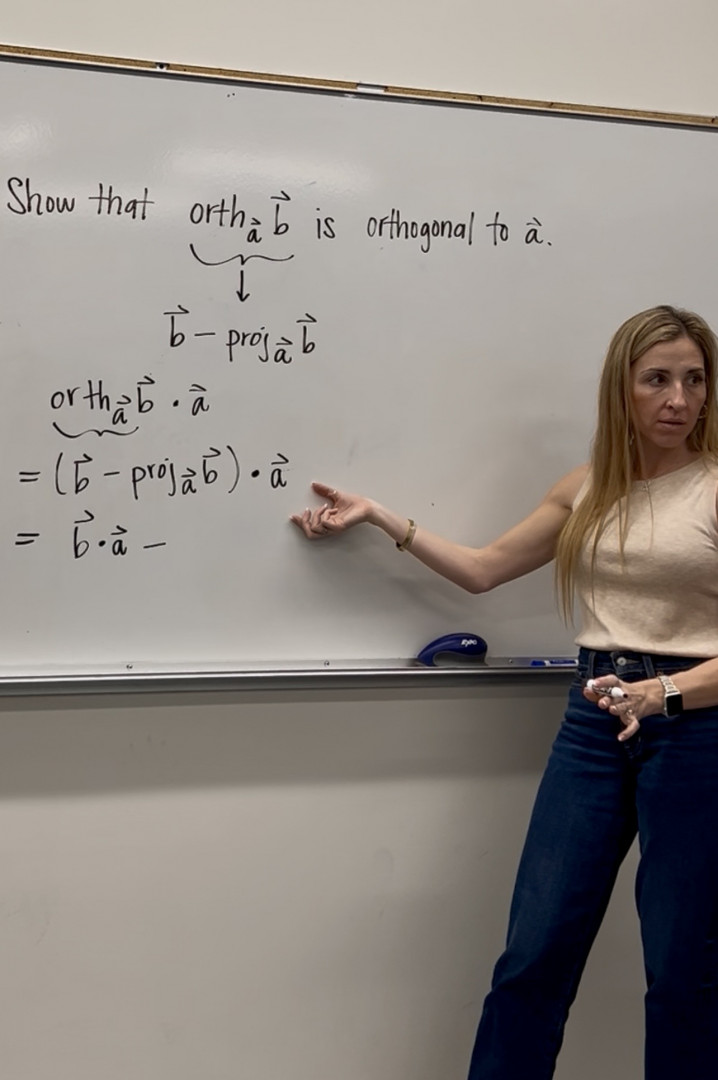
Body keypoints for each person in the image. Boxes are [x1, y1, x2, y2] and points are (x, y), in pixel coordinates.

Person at [290, 304, 718, 1080]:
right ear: (620, 387)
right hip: (594, 720)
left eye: (695, 380)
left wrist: (666, 694)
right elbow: (484, 569)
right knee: (534, 955)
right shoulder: (588, 488)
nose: (678, 400)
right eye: (657, 379)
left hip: (696, 730)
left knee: (684, 975)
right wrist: (382, 517)